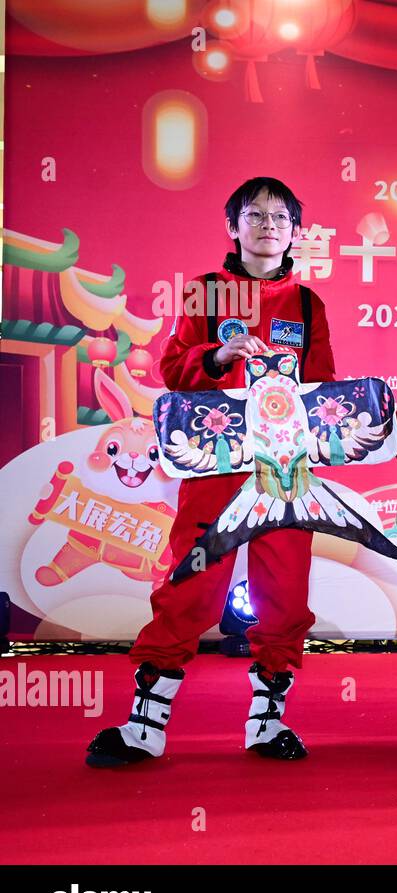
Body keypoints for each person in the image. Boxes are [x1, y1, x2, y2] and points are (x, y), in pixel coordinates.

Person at [86, 176, 336, 767]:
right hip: (215, 466)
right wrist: (219, 357)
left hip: (285, 474)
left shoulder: (308, 303)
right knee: (193, 584)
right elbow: (173, 368)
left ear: (296, 230)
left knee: (284, 594)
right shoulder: (204, 292)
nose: (269, 225)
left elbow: (325, 387)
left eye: (281, 217)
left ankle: (267, 721)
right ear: (232, 226)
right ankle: (145, 724)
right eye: (255, 214)